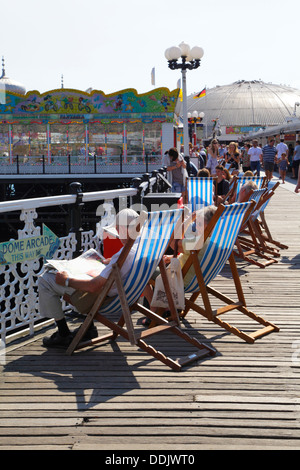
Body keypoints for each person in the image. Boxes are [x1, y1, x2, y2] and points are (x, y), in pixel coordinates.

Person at [38, 208, 140, 348]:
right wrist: (109, 263)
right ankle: (89, 328)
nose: (116, 234)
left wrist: (66, 280)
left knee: (45, 279)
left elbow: (93, 286)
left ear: (122, 228)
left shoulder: (122, 256)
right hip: (122, 293)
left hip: (102, 296)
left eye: (117, 229)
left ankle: (63, 333)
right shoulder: (140, 248)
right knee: (64, 277)